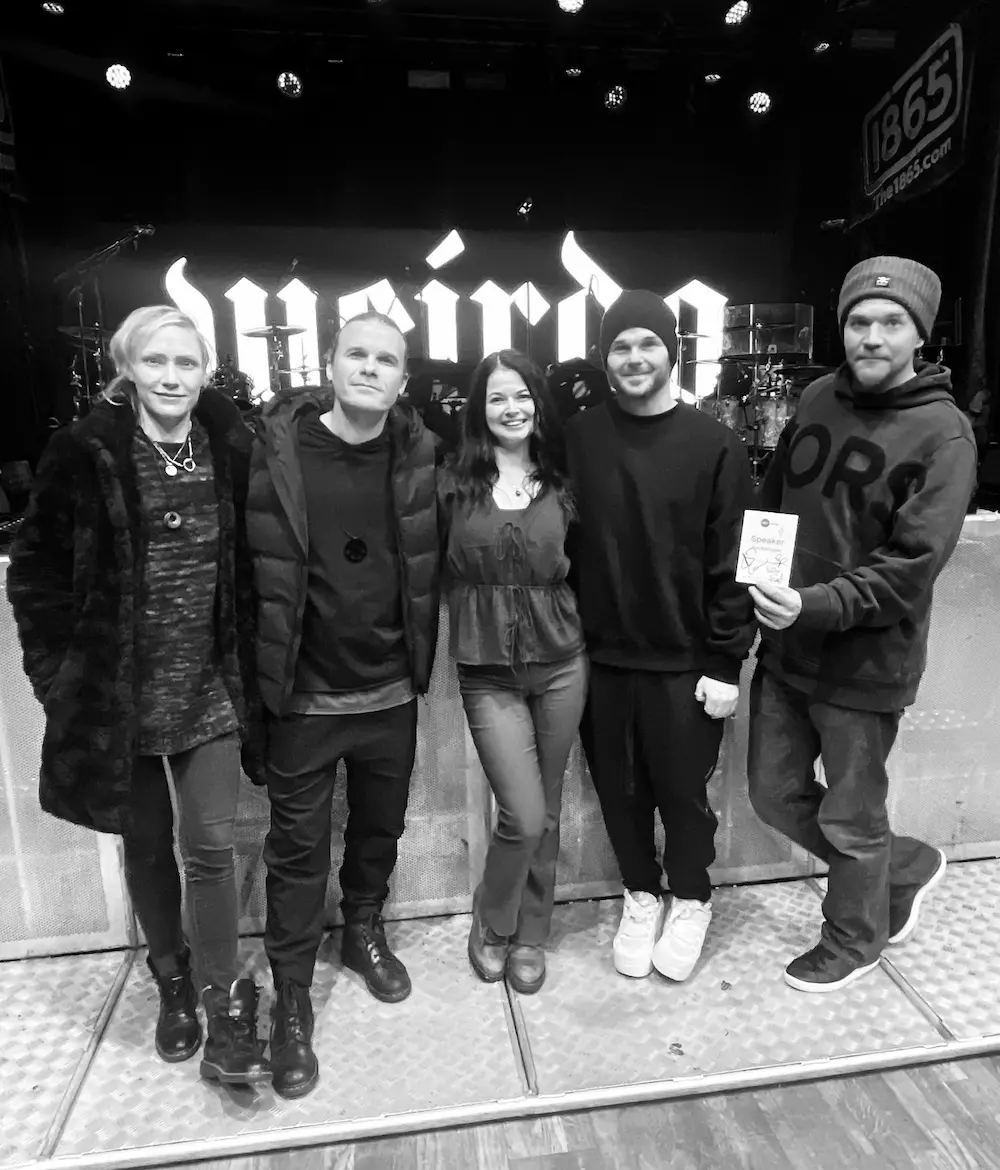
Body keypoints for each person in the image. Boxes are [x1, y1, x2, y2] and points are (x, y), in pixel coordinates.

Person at [7, 305, 269, 1086]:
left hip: (210, 689)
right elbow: (37, 576)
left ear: (205, 370)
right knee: (148, 850)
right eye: (155, 362)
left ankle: (222, 996)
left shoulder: (231, 444)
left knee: (211, 849)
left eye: (186, 364)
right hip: (120, 700)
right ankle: (172, 980)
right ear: (127, 365)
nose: (172, 379)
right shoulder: (83, 453)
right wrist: (59, 683)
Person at [747, 257, 977, 992]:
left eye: (891, 323)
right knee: (772, 794)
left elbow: (911, 566)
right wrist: (752, 566)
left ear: (920, 335)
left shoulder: (945, 436)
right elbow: (776, 496)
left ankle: (854, 940)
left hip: (866, 664)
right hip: (787, 647)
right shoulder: (817, 397)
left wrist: (816, 604)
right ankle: (902, 865)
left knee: (850, 818)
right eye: (858, 321)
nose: (871, 336)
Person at [248, 310, 440, 1099]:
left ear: (402, 378)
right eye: (356, 354)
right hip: (304, 698)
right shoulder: (277, 453)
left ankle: (362, 929)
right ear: (329, 364)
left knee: (376, 829)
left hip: (391, 691)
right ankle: (290, 998)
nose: (370, 368)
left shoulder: (418, 455)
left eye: (385, 359)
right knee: (295, 854)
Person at [565, 291, 755, 983]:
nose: (634, 357)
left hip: (685, 662)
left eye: (648, 343)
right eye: (620, 346)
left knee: (683, 794)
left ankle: (693, 896)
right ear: (605, 357)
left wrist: (727, 660)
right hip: (599, 659)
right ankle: (640, 894)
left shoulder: (717, 445)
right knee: (618, 792)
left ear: (672, 350)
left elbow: (736, 561)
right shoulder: (580, 437)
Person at [439, 350, 587, 995]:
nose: (512, 408)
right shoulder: (448, 482)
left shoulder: (563, 478)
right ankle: (492, 916)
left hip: (562, 663)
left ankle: (531, 932)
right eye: (498, 397)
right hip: (487, 671)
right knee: (522, 815)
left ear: (538, 403)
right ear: (480, 408)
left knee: (546, 811)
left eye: (523, 395)